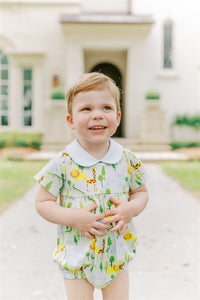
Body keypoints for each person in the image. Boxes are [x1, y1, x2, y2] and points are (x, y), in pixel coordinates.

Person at [35, 72, 149, 300]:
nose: (97, 115)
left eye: (106, 108)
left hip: (116, 255)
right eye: (86, 109)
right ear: (71, 120)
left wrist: (130, 209)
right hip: (77, 255)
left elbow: (141, 193)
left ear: (117, 117)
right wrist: (74, 217)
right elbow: (43, 202)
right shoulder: (63, 162)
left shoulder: (127, 159)